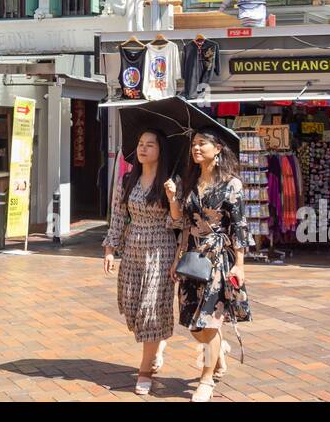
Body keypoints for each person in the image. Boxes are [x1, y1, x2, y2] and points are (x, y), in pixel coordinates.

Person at [168, 127, 251, 403]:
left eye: (202, 143)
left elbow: (239, 226)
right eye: (193, 144)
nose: (196, 148)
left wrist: (239, 264)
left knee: (209, 321)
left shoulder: (231, 184)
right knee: (193, 323)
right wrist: (172, 199)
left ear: (218, 149)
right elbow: (181, 222)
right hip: (192, 256)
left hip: (218, 258)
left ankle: (206, 381)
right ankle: (218, 353)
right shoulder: (188, 182)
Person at [102, 129, 178, 396]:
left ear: (161, 150)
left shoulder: (171, 181)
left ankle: (144, 371)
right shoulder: (127, 179)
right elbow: (118, 216)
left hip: (161, 249)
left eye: (150, 144)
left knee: (150, 310)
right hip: (133, 249)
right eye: (140, 143)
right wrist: (110, 249)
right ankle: (156, 346)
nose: (143, 149)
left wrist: (173, 199)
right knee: (133, 308)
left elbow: (178, 223)